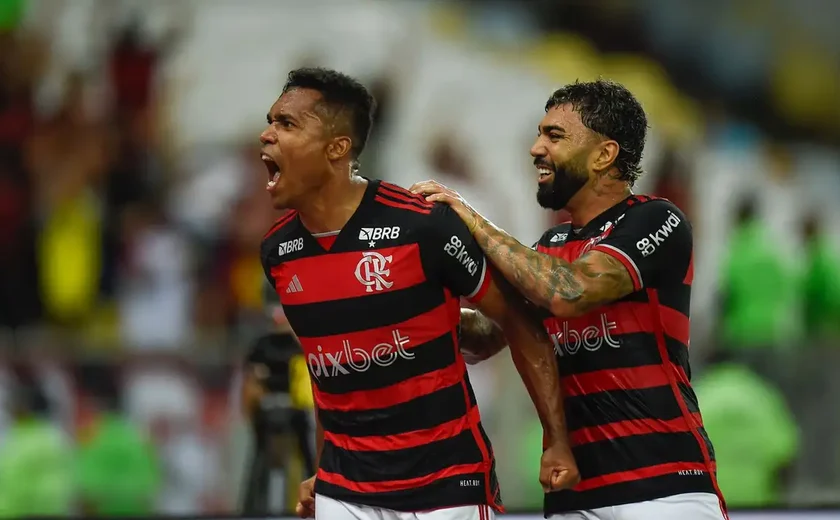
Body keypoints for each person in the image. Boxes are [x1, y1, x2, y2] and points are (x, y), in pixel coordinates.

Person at [258, 68, 579, 520]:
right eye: (271, 121)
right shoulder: (278, 253)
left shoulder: (422, 226)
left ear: (337, 148)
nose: (266, 135)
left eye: (286, 124)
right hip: (346, 488)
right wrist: (322, 470)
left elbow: (516, 316)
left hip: (445, 486)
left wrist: (556, 439)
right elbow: (326, 373)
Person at [411, 80, 728, 520]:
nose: (536, 149)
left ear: (604, 155)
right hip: (574, 493)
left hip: (663, 488)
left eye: (554, 136)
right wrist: (403, 309)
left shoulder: (657, 219)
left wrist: (472, 220)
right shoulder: (550, 246)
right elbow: (486, 337)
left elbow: (572, 292)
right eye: (540, 134)